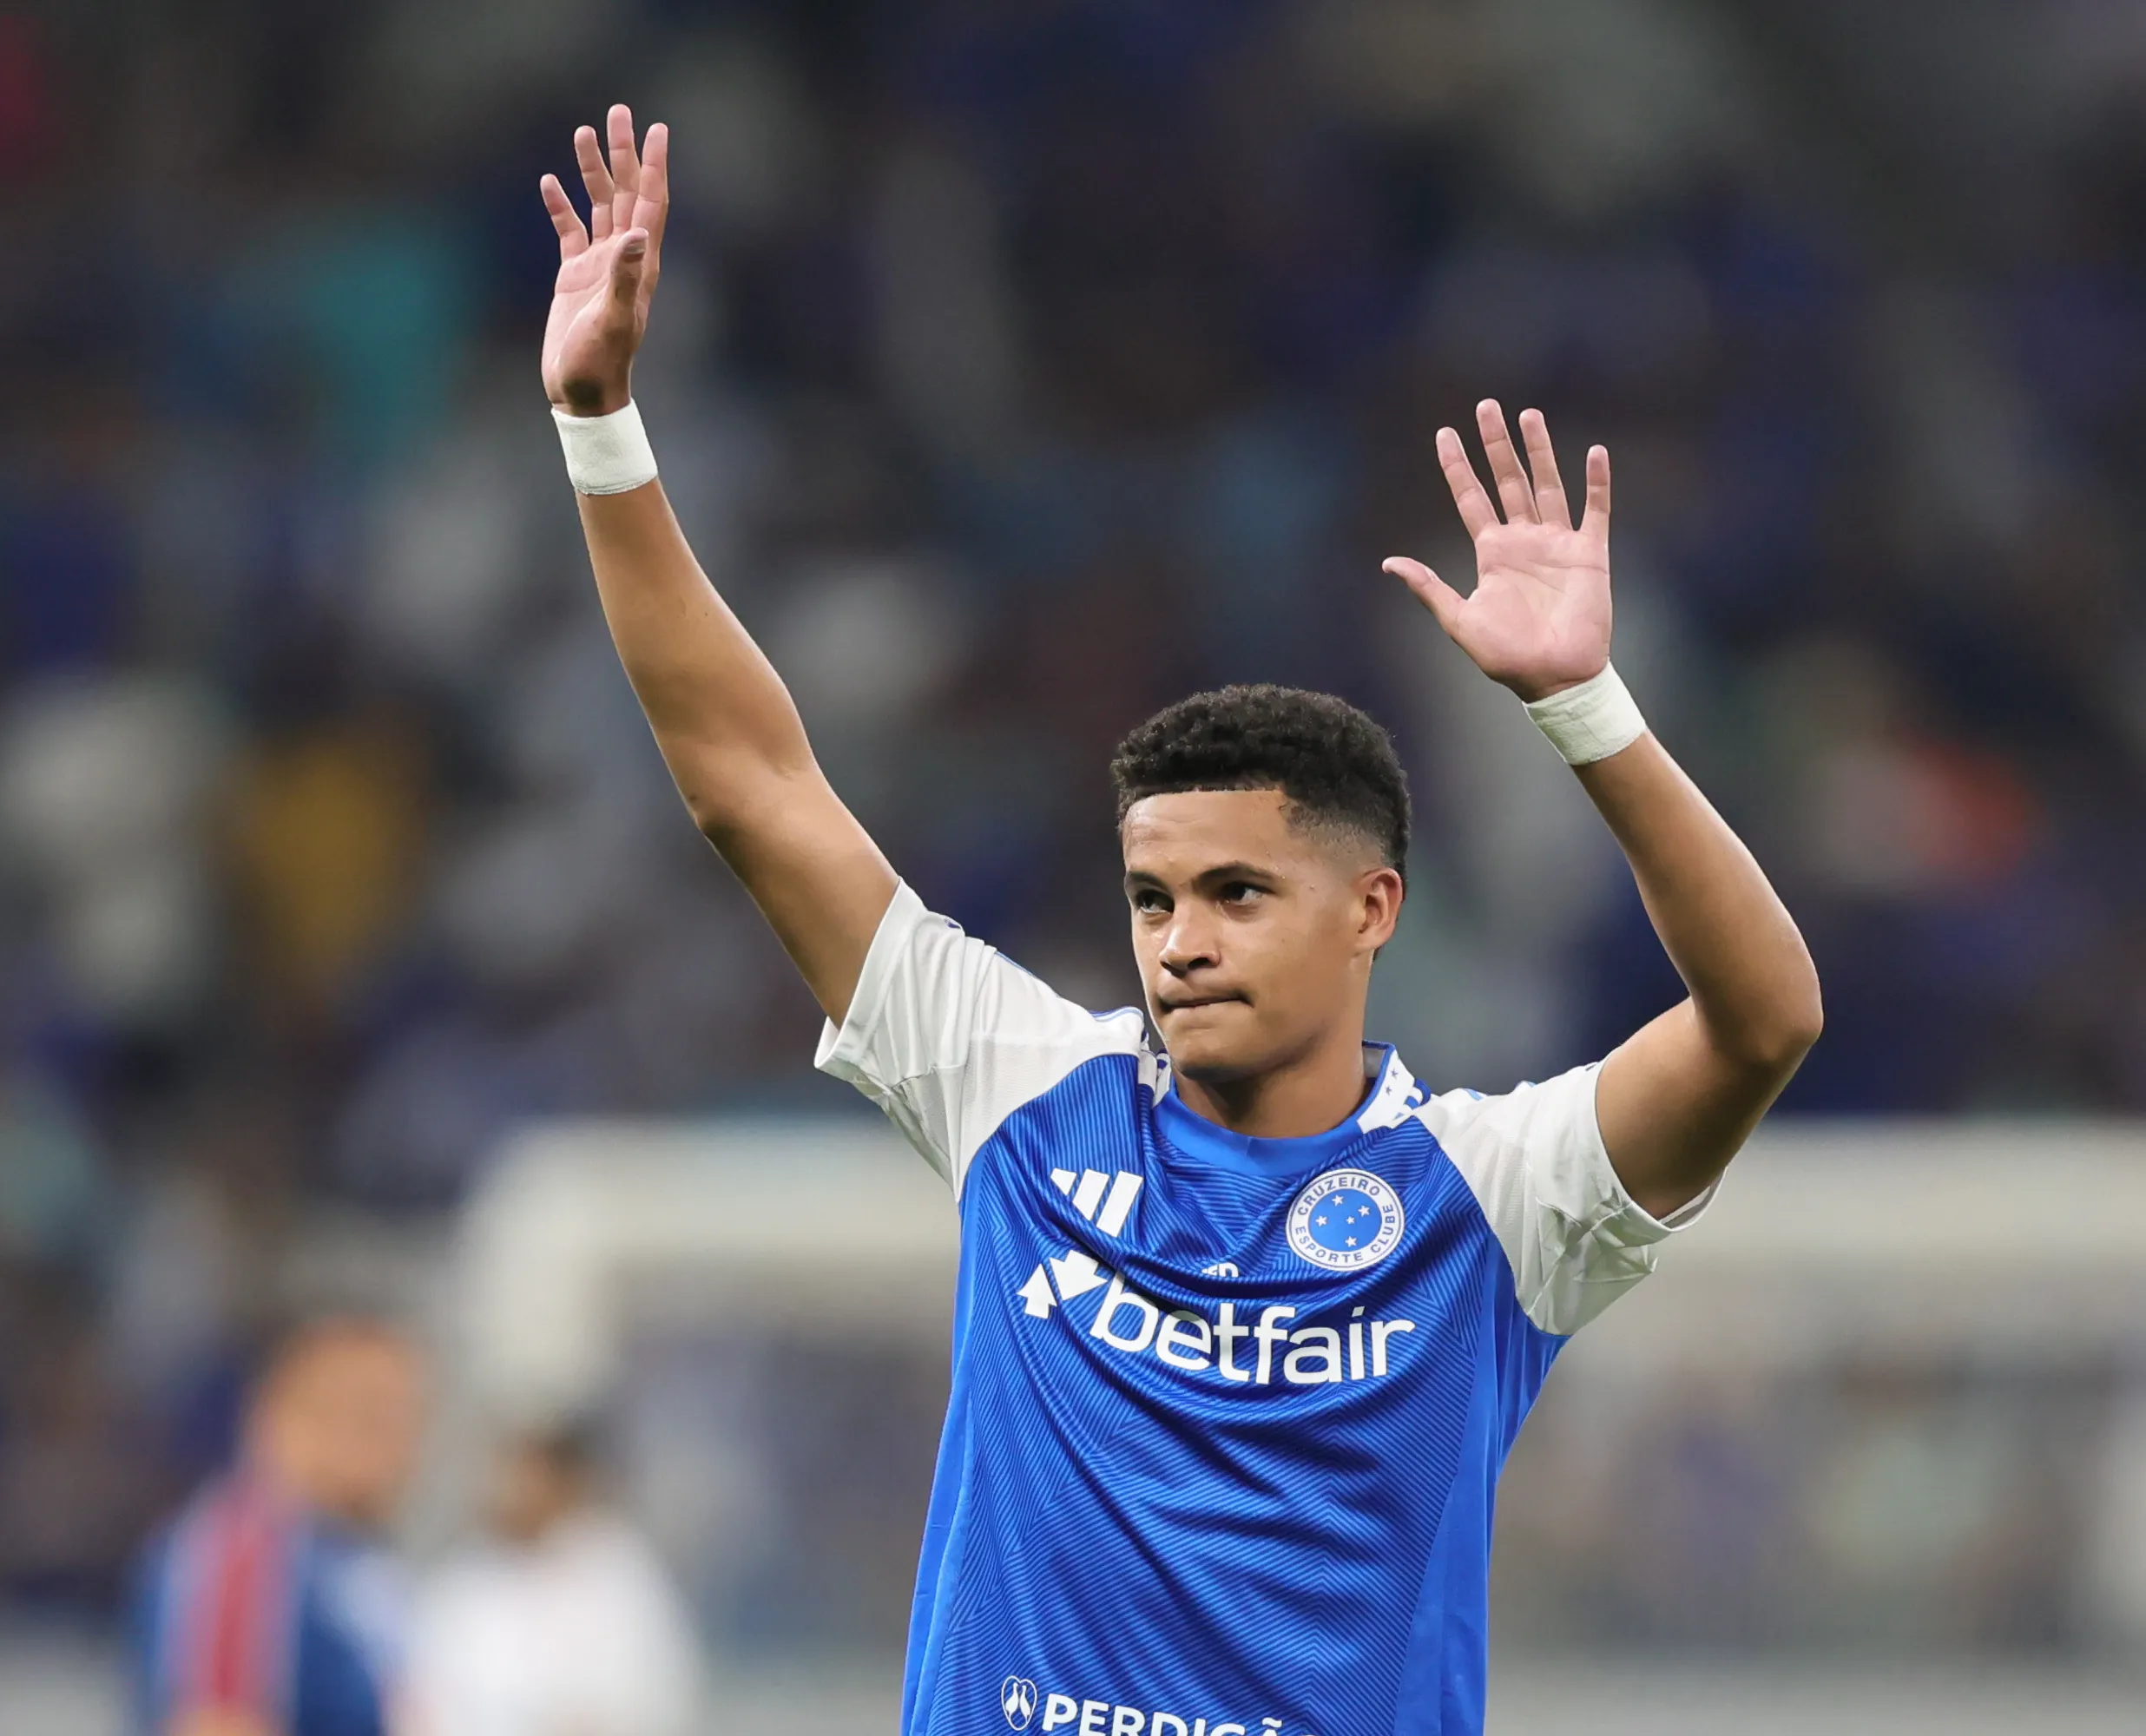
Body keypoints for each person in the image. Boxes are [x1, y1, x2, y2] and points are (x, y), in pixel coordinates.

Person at [535, 106, 1824, 1736]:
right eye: (1151, 897)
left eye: (1236, 893)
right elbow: (753, 788)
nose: (1178, 941)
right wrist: (602, 429)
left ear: (1373, 909)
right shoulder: (1022, 1093)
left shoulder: (1494, 1197)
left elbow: (1764, 1019)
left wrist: (1585, 712)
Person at [128, 1318, 429, 1736]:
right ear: (285, 1414)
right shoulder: (240, 1555)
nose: (401, 1443)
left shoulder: (347, 1562)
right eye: (372, 1415)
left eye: (409, 1416)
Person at [415, 1423, 702, 1736]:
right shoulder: (462, 1585)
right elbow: (433, 1702)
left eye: (533, 1471)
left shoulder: (615, 1569)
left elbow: (661, 1691)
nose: (518, 1487)